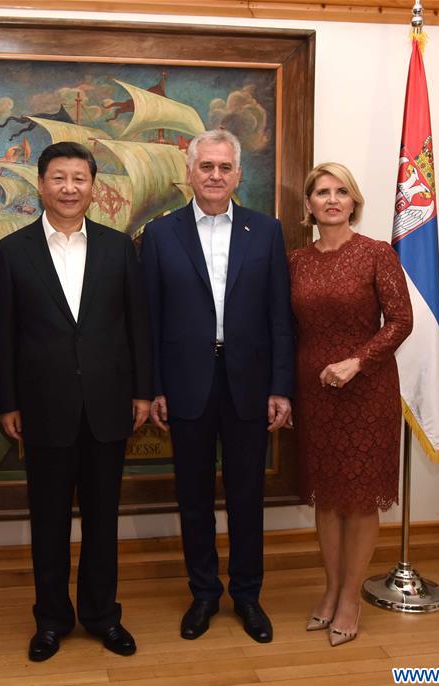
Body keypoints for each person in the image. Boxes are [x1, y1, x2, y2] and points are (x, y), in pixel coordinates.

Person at [0, 141, 153, 662]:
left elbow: (137, 327)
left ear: (92, 186)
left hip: (109, 406)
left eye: (79, 178)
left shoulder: (117, 247)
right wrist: (8, 402)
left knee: (104, 520)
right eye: (58, 178)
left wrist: (143, 392)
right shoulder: (13, 252)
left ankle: (104, 615)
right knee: (50, 521)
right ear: (41, 185)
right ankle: (52, 619)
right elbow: (4, 335)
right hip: (43, 409)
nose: (68, 188)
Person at [141, 129, 294, 645]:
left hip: (249, 384)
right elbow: (151, 321)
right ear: (189, 172)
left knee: (248, 496)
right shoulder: (161, 235)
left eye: (224, 168)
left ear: (238, 175)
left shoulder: (266, 232)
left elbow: (280, 317)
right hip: (187, 385)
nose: (214, 176)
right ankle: (204, 592)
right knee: (194, 496)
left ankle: (248, 594)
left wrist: (281, 386)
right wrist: (156, 385)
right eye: (205, 166)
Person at [289, 162, 412, 646]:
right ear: (309, 205)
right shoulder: (295, 260)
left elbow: (400, 321)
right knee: (326, 495)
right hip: (313, 391)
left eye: (342, 191)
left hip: (367, 390)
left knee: (360, 500)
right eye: (322, 191)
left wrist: (357, 362)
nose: (332, 199)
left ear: (354, 202)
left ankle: (351, 598)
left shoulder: (377, 254)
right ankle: (330, 589)